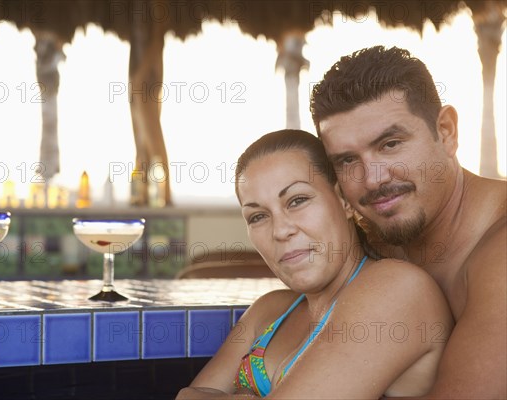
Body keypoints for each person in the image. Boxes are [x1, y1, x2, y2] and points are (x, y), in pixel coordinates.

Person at [176, 129, 453, 399]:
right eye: (258, 216)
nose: (280, 231)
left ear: (344, 200)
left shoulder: (397, 289)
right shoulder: (268, 311)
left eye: (297, 200)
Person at [310, 45, 506, 399]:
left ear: (445, 132)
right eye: (347, 160)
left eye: (390, 144)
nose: (372, 179)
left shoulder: (500, 253)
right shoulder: (371, 241)